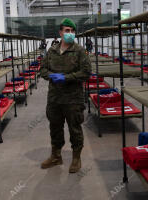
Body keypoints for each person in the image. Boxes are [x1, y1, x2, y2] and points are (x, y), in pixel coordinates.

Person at [40, 18, 91, 173]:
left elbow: (86, 72)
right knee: (55, 127)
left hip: (73, 99)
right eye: (67, 30)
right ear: (60, 32)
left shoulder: (80, 51)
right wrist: (51, 76)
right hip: (54, 98)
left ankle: (76, 158)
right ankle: (56, 156)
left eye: (72, 31)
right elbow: (42, 69)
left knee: (75, 128)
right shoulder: (52, 51)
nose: (69, 33)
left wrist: (66, 77)